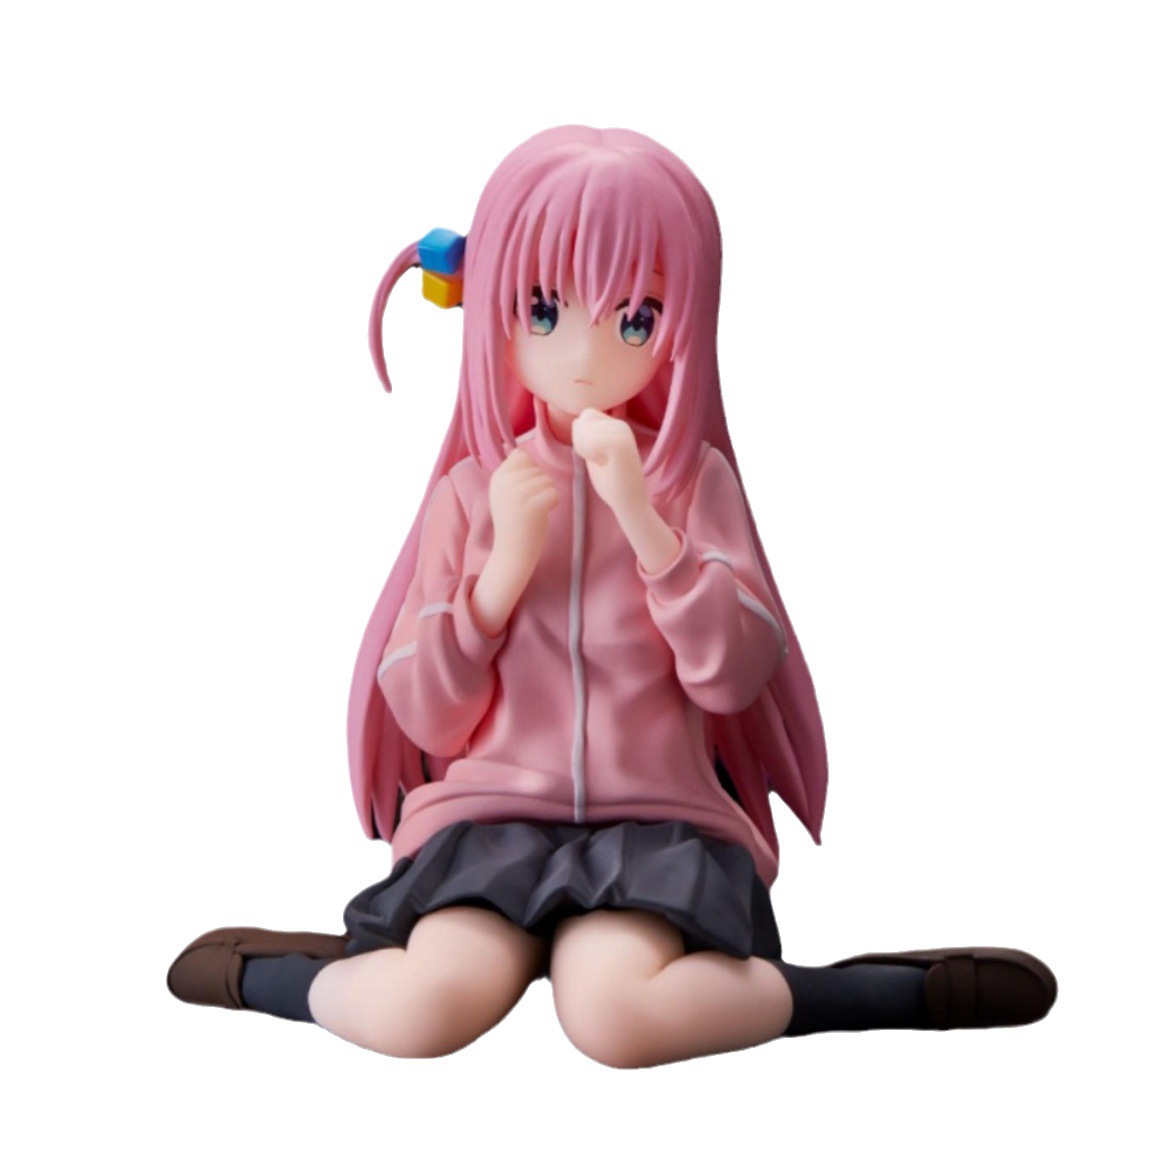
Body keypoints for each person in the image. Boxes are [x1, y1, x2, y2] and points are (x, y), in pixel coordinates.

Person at [168, 126, 1056, 1067]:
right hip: (489, 821)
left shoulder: (691, 482)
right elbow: (425, 709)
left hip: (656, 824)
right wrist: (496, 582)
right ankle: (271, 976)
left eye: (634, 319)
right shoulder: (473, 491)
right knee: (422, 1010)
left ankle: (869, 994)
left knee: (617, 1018)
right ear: (493, 311)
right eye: (544, 310)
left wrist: (645, 520)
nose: (585, 354)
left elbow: (734, 674)